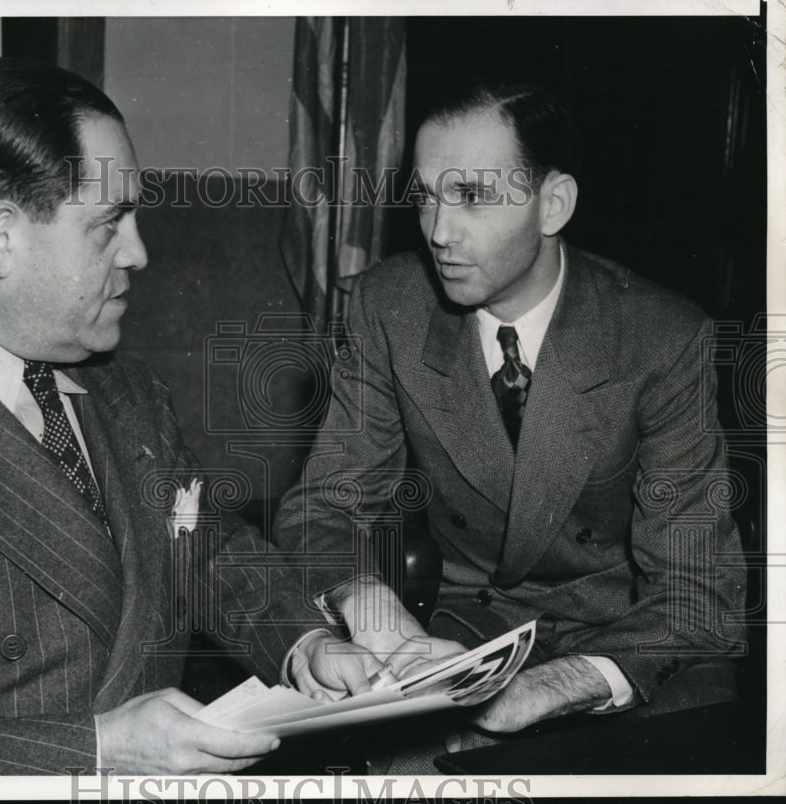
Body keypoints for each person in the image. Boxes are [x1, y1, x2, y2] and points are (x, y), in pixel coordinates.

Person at [0, 57, 382, 776]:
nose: (139, 252)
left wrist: (304, 640)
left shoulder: (127, 392)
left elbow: (205, 550)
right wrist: (97, 748)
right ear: (1, 239)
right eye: (110, 223)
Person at [272, 83, 746, 757]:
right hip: (468, 631)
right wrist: (375, 613)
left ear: (553, 204)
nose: (438, 232)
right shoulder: (389, 306)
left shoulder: (661, 338)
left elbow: (699, 595)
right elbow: (323, 507)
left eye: (472, 197)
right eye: (428, 195)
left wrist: (544, 687)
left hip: (630, 639)